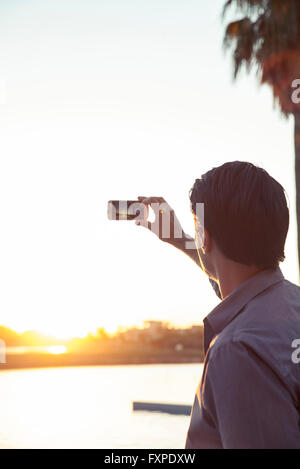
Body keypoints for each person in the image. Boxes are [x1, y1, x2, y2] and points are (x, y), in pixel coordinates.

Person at [135, 160, 300, 449]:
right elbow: (238, 285)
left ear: (206, 238)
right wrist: (180, 239)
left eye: (198, 229)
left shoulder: (238, 350)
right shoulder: (287, 305)